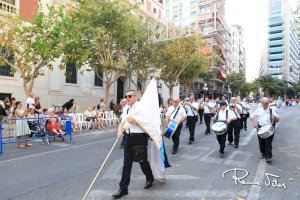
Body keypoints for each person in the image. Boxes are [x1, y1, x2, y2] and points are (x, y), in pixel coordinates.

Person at [113, 90, 154, 199]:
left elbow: (147, 123)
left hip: (139, 137)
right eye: (126, 96)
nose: (127, 98)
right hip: (128, 136)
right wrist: (119, 132)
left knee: (142, 160)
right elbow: (122, 122)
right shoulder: (126, 108)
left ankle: (150, 178)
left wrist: (135, 121)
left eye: (130, 96)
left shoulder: (142, 107)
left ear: (135, 97)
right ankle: (123, 188)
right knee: (127, 163)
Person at [250, 97, 279, 163]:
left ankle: (269, 157)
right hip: (260, 127)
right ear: (262, 103)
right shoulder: (258, 110)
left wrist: (275, 118)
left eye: (267, 103)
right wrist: (254, 123)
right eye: (265, 103)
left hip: (269, 128)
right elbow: (251, 117)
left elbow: (278, 119)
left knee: (268, 143)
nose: (266, 105)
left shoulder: (271, 110)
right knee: (261, 142)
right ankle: (263, 153)